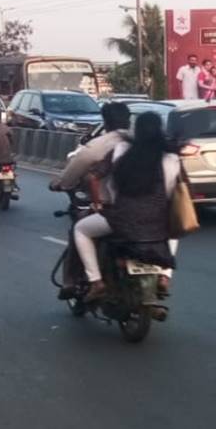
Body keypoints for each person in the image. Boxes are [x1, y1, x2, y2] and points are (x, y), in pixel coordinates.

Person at [74, 112, 181, 303]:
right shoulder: (171, 157)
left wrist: (98, 203)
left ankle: (96, 282)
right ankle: (165, 276)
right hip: (157, 223)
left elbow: (93, 177)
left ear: (136, 130)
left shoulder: (120, 150)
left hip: (121, 219)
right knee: (173, 232)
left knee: (81, 229)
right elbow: (176, 190)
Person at [50, 102, 131, 298]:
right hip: (149, 210)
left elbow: (73, 174)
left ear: (105, 122)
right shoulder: (144, 144)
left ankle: (79, 280)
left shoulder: (98, 146)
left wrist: (60, 183)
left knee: (79, 228)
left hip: (113, 209)